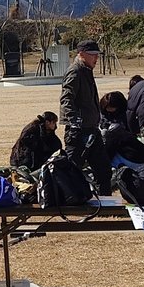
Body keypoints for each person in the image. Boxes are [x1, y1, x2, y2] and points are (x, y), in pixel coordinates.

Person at [59, 38, 104, 188]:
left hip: (92, 128)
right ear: (81, 54)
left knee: (103, 170)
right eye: (92, 54)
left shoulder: (86, 70)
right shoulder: (75, 71)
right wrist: (74, 121)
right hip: (79, 131)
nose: (96, 58)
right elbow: (66, 98)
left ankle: (105, 199)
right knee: (73, 169)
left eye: (97, 54)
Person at [94, 90, 144, 193]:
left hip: (132, 161)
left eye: (111, 107)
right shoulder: (116, 123)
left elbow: (108, 152)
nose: (109, 110)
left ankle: (116, 176)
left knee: (106, 159)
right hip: (141, 158)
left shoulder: (117, 129)